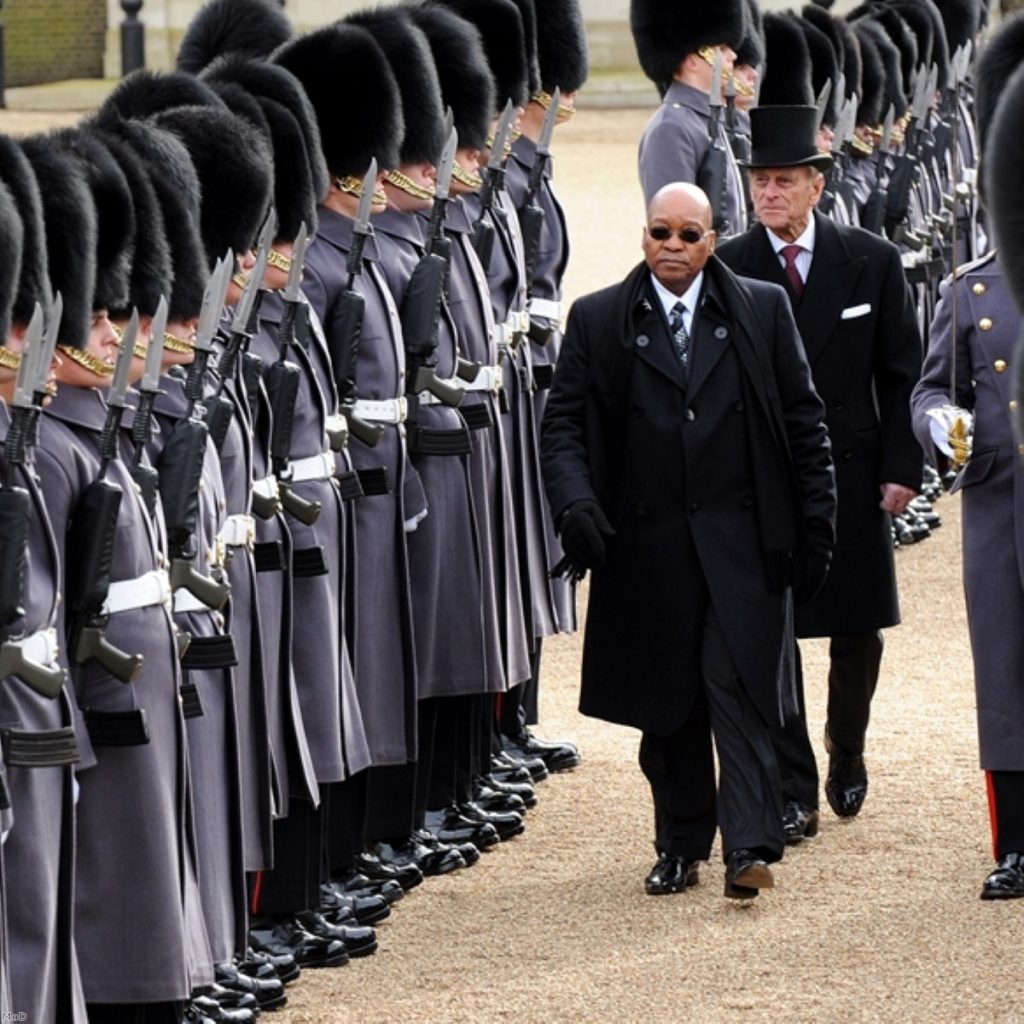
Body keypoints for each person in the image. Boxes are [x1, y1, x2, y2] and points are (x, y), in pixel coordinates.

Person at [540, 182, 835, 899]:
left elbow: (803, 421)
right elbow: (565, 426)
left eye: (688, 235)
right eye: (659, 232)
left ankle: (750, 847)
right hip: (647, 550)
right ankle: (679, 844)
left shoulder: (761, 310)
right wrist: (576, 503)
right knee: (668, 707)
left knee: (739, 691)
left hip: (742, 544)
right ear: (644, 236)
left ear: (712, 239)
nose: (672, 246)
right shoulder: (600, 317)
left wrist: (818, 523)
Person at [717, 105, 922, 843]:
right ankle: (792, 783)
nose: (769, 194)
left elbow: (902, 372)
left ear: (816, 185)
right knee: (774, 633)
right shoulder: (730, 265)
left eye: (783, 181)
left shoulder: (871, 259)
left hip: (855, 469)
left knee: (858, 629)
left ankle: (849, 749)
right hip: (766, 475)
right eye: (760, 182)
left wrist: (904, 464)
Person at [911, 14, 1024, 900]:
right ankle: (1015, 842)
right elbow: (931, 388)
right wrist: (942, 422)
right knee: (1006, 671)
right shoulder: (973, 285)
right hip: (995, 500)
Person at [632, 0, 748, 235]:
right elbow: (675, 232)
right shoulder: (672, 129)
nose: (733, 55)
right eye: (722, 48)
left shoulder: (711, 120)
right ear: (692, 60)